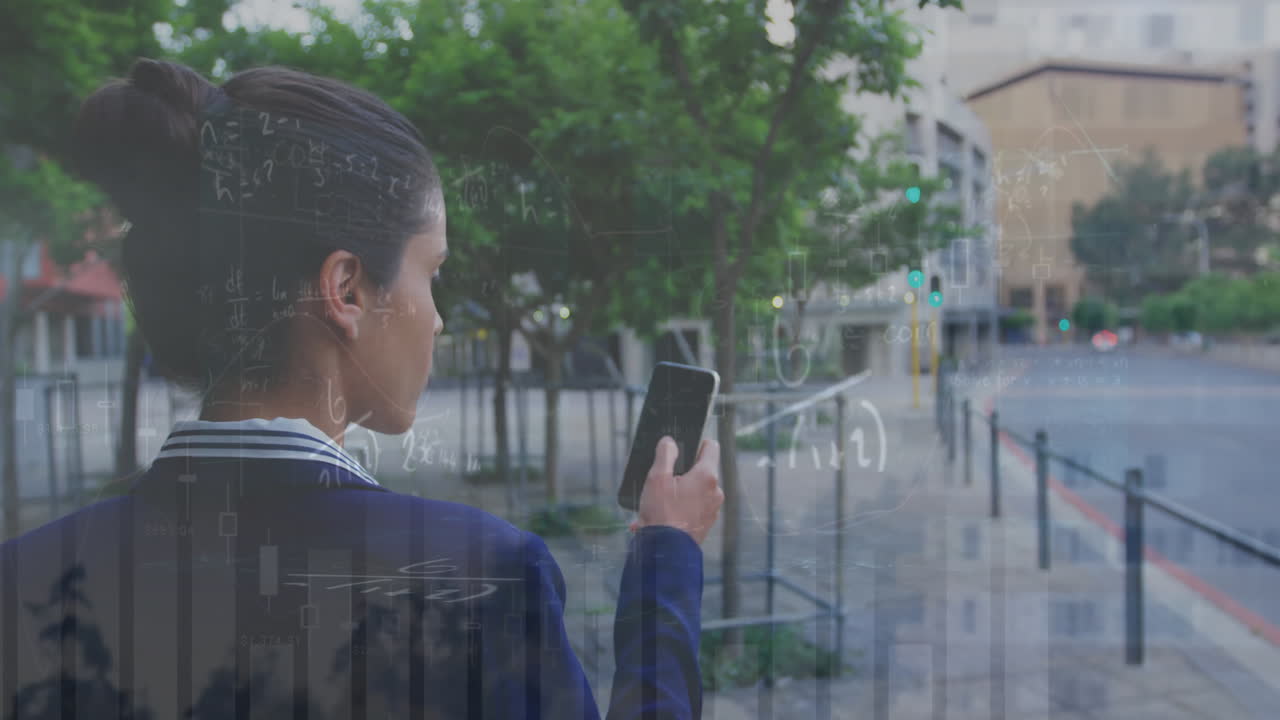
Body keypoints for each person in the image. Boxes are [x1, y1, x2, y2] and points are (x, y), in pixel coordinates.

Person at [0, 58, 723, 719]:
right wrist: (669, 555)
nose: (437, 318)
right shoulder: (477, 576)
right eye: (430, 271)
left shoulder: (26, 579)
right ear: (346, 288)